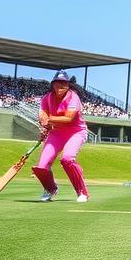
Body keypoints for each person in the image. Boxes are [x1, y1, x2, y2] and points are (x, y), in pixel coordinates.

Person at [35, 71, 90, 203]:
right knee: (41, 167)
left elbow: (68, 118)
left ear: (68, 85)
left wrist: (49, 119)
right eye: (58, 82)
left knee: (67, 159)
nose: (61, 85)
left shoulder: (73, 97)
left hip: (76, 132)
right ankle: (50, 189)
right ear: (53, 84)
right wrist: (45, 125)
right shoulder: (46, 98)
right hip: (57, 133)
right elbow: (42, 116)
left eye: (64, 83)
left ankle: (82, 192)